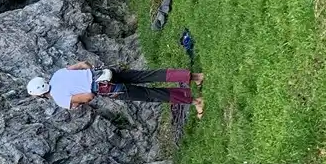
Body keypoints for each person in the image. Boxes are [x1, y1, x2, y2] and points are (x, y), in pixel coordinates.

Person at [27, 62, 205, 116]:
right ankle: (194, 77)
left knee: (150, 94)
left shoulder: (59, 98)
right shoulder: (58, 73)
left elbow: (88, 96)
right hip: (105, 73)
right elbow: (82, 64)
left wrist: (81, 102)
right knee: (145, 75)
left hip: (107, 88)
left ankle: (195, 101)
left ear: (42, 94)